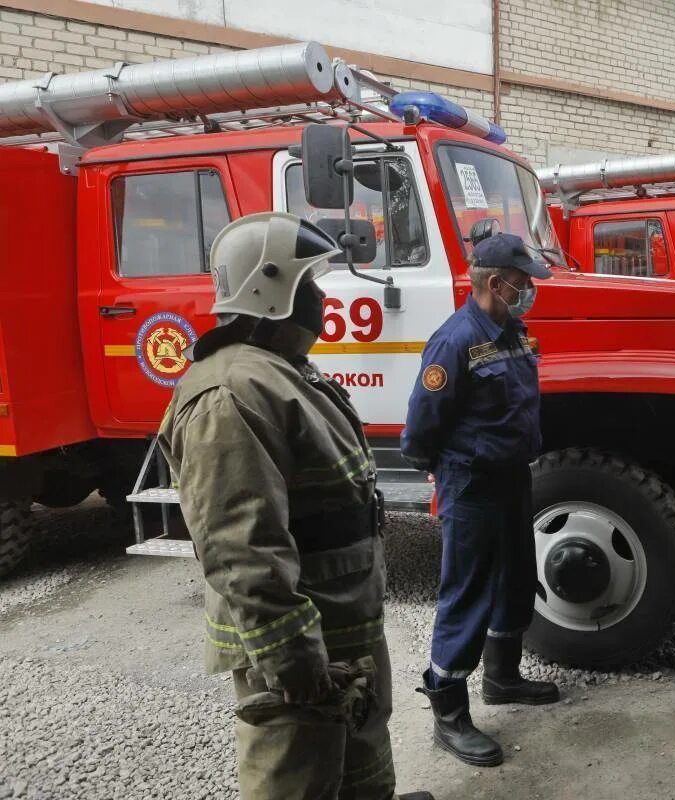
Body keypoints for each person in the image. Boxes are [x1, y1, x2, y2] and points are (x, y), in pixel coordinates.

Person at [158, 212, 431, 800]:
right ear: (271, 287)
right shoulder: (230, 393)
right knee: (299, 775)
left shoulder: (278, 373)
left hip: (340, 618)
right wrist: (291, 660)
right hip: (305, 642)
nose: (319, 297)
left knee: (358, 753)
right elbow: (240, 547)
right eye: (309, 284)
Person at [401, 232, 559, 768]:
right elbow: (421, 425)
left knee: (515, 578)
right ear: (497, 282)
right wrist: (442, 473)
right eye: (523, 283)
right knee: (466, 593)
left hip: (512, 476)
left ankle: (502, 678)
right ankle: (449, 713)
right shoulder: (454, 341)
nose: (530, 291)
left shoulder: (513, 332)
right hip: (470, 482)